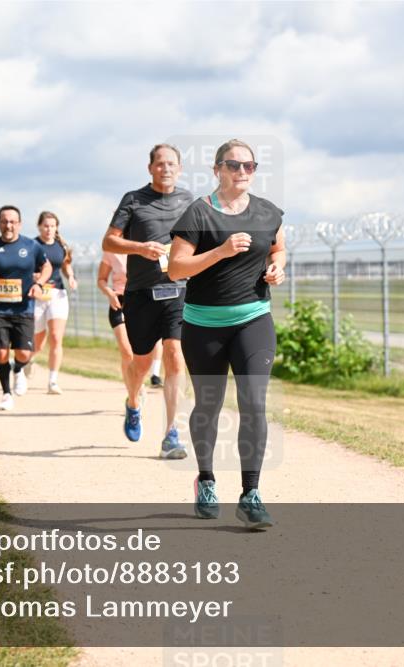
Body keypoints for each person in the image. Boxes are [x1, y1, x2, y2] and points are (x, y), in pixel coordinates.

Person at [169, 138, 287, 530]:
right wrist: (220, 251)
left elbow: (278, 248)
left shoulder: (268, 212)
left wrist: (278, 268)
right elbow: (176, 269)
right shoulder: (198, 213)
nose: (242, 173)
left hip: (254, 319)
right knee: (208, 406)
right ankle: (205, 479)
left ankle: (251, 494)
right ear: (217, 169)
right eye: (234, 166)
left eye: (249, 166)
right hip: (204, 325)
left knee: (253, 401)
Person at [102, 143, 192, 459]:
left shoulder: (188, 201)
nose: (165, 168)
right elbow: (109, 240)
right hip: (141, 293)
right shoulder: (134, 200)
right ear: (150, 167)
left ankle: (171, 433)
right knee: (141, 362)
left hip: (178, 290)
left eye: (171, 164)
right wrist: (140, 248)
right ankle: (133, 401)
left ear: (179, 169)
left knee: (174, 353)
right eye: (160, 163)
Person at [0, 205, 52, 410]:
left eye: (12, 221)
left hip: (24, 308)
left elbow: (47, 267)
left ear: (19, 223)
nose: (8, 225)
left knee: (24, 354)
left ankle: (18, 369)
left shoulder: (32, 246)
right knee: (0, 353)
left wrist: (38, 284)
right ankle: (6, 394)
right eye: (4, 221)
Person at [97, 251, 163, 387]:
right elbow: (101, 279)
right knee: (127, 352)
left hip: (143, 300)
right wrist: (109, 293)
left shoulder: (146, 245)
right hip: (119, 301)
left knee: (149, 348)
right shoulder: (111, 251)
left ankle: (152, 376)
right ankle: (134, 391)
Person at [30, 211, 77, 395]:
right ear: (39, 226)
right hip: (38, 295)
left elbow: (66, 264)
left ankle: (52, 381)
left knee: (56, 338)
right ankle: (24, 360)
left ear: (56, 227)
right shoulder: (33, 245)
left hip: (58, 294)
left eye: (52, 226)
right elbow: (25, 266)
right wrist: (33, 276)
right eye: (46, 226)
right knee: (38, 343)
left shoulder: (61, 246)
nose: (49, 229)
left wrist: (71, 277)